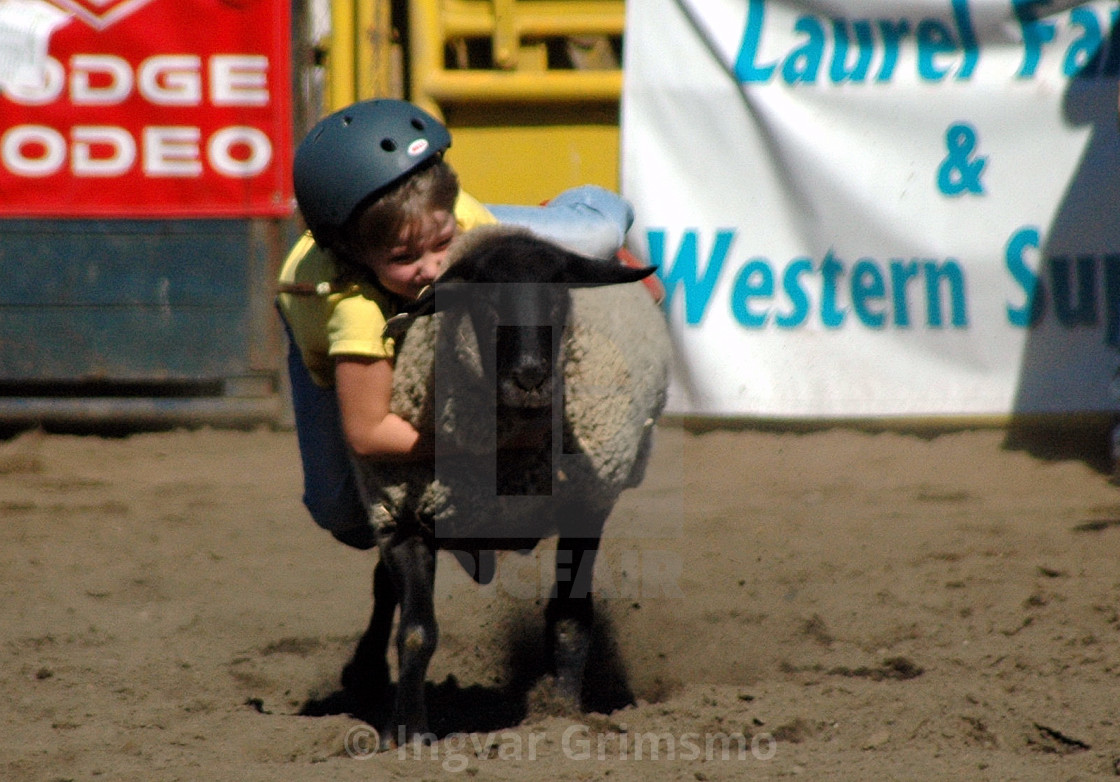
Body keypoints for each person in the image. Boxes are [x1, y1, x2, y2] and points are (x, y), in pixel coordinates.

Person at [277, 98, 636, 550]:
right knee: (344, 514)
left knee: (597, 236)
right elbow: (369, 435)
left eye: (441, 244)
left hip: (451, 223)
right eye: (406, 258)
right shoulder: (353, 306)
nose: (434, 267)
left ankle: (573, 215)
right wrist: (498, 443)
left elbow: (504, 283)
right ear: (354, 253)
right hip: (340, 311)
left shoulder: (462, 228)